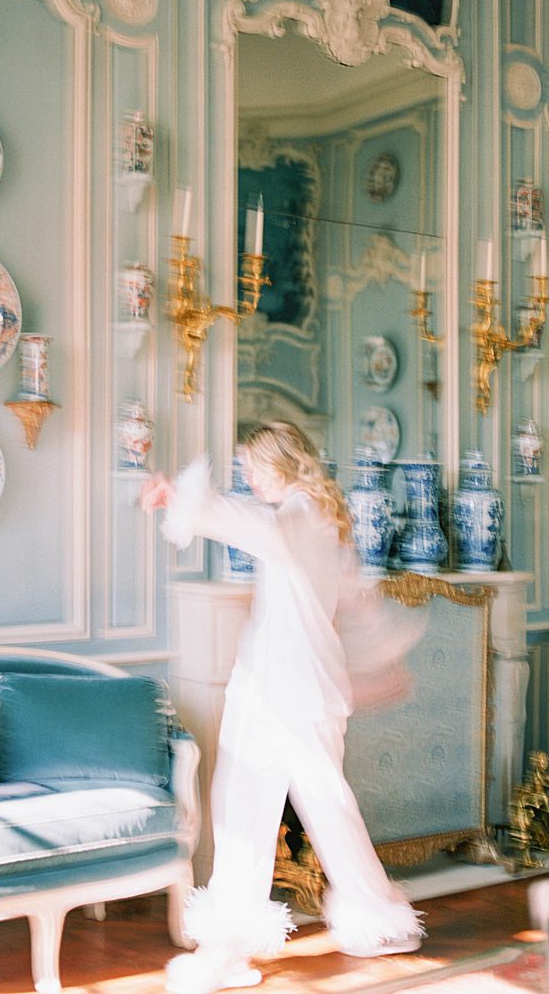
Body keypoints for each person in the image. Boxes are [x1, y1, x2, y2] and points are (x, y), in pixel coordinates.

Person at [141, 421, 424, 994]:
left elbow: (256, 528)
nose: (246, 475)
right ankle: (364, 924)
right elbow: (357, 604)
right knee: (293, 808)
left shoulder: (299, 517)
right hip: (279, 688)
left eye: (251, 464)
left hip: (290, 692)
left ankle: (231, 950)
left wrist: (184, 499)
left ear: (284, 462)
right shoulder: (321, 519)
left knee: (269, 810)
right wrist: (375, 664)